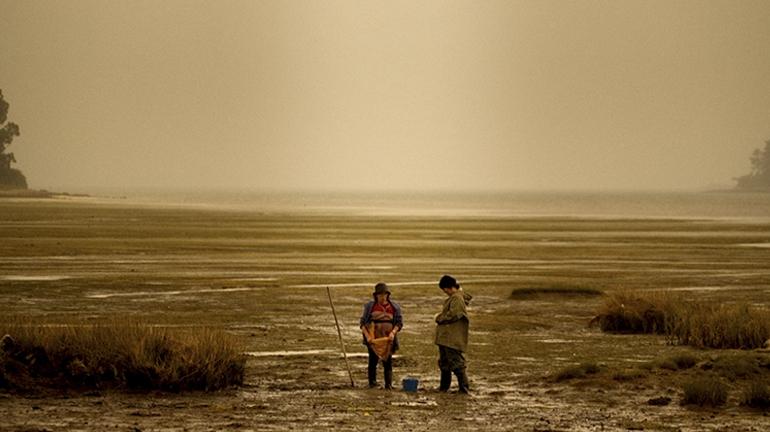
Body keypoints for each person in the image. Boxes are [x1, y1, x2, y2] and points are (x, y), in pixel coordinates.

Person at [359, 282, 403, 389]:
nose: (382, 297)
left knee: (387, 361)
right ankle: (372, 383)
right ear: (376, 295)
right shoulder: (370, 306)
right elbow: (363, 323)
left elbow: (399, 323)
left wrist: (393, 333)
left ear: (388, 295)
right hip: (373, 339)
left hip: (388, 339)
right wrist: (368, 336)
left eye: (384, 294)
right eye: (380, 295)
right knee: (372, 361)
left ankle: (388, 384)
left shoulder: (394, 307)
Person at [435, 274, 472, 393]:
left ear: (449, 287)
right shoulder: (456, 297)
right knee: (445, 363)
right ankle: (444, 387)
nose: (444, 292)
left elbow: (455, 314)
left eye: (445, 289)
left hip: (452, 338)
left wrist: (440, 318)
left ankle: (464, 388)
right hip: (446, 337)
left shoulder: (456, 298)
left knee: (456, 363)